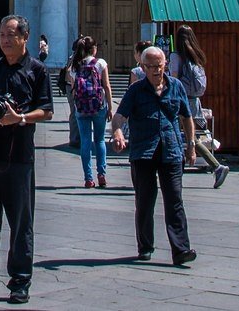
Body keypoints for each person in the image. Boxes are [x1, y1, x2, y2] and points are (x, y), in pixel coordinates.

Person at [0, 14, 53, 305]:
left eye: (11, 35)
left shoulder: (37, 70)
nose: (5, 40)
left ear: (25, 37)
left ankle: (20, 282)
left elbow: (47, 111)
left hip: (19, 157)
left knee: (21, 223)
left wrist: (20, 118)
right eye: (2, 35)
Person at [110, 45, 196, 266]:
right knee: (145, 201)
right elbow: (119, 116)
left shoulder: (176, 86)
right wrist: (117, 132)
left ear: (165, 64)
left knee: (175, 200)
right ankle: (145, 246)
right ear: (142, 67)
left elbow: (186, 117)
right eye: (151, 66)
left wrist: (191, 145)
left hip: (171, 150)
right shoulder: (136, 90)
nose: (156, 70)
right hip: (143, 152)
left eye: (159, 65)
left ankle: (181, 249)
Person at [170, 26, 228, 189]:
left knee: (177, 135)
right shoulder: (196, 55)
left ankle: (214, 166)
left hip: (180, 100)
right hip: (194, 101)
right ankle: (216, 167)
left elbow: (174, 78)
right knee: (190, 136)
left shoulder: (176, 56)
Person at [67, 35, 115, 189]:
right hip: (99, 106)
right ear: (94, 49)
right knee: (100, 140)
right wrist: (110, 107)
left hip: (81, 108)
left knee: (85, 141)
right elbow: (106, 86)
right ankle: (101, 174)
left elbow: (74, 90)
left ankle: (88, 178)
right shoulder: (100, 63)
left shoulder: (74, 66)